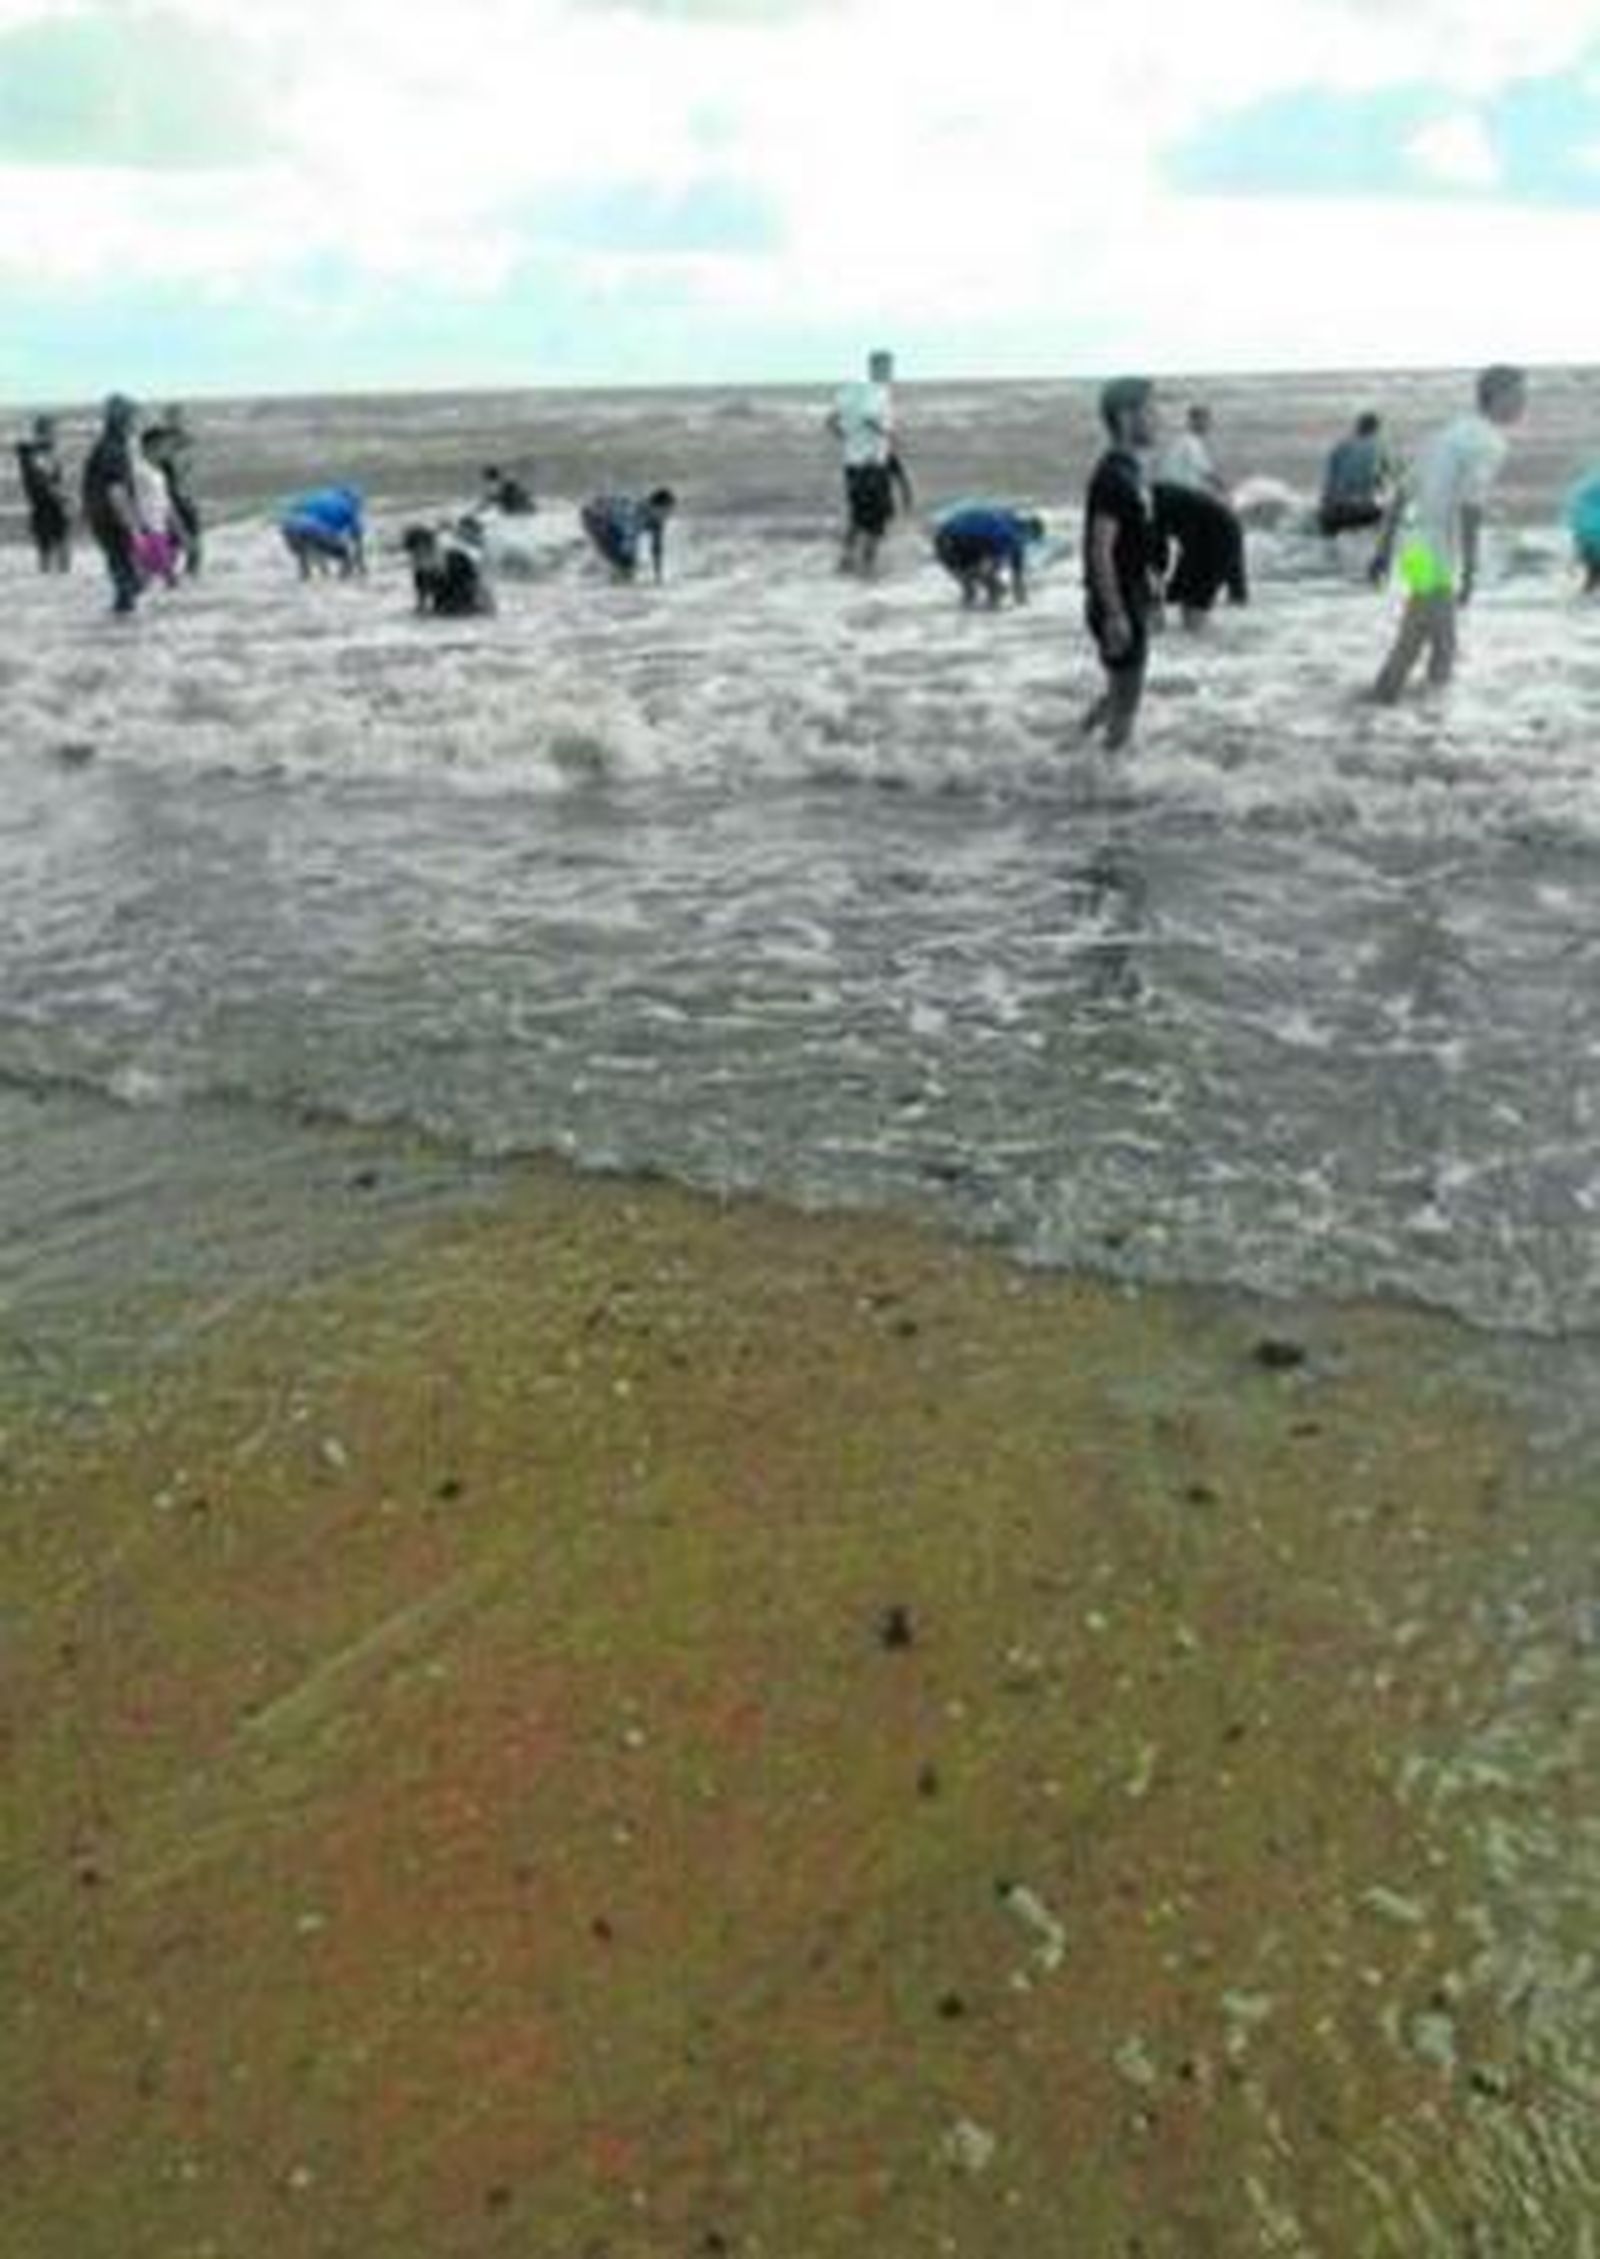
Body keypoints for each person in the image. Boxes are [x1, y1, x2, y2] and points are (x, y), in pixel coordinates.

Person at [1371, 364, 1527, 705]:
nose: (1523, 403)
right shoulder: (1489, 442)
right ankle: (1377, 709)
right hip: (1436, 553)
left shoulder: (1448, 433)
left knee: (1442, 641)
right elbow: (1471, 508)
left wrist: (1382, 551)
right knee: (1414, 636)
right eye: (1519, 394)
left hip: (1413, 546)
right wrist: (1470, 569)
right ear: (1497, 397)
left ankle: (1431, 722)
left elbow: (1401, 494)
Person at [1080, 377, 1163, 752]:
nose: (1159, 417)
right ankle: (1108, 785)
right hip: (1117, 600)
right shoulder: (1113, 474)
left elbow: (1138, 545)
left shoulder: (1130, 471)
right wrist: (1116, 612)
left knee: (1118, 696)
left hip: (1131, 597)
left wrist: (1153, 598)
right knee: (1125, 709)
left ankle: (1070, 750)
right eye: (1151, 410)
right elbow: (1100, 548)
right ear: (1127, 417)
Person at [826, 348, 912, 575]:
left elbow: (831, 421)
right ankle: (868, 563)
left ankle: (846, 558)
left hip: (852, 464)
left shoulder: (848, 390)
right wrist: (890, 435)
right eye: (886, 366)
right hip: (872, 465)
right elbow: (869, 417)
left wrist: (848, 438)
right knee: (878, 517)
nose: (888, 371)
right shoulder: (879, 391)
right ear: (878, 367)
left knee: (857, 514)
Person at [1152, 477, 1248, 625]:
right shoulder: (1157, 494)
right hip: (1208, 540)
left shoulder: (1148, 504)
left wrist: (1156, 591)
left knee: (1193, 608)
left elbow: (1157, 552)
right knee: (1187, 602)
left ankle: (1210, 643)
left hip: (1213, 541)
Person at [80, 393, 144, 615]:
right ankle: (123, 625)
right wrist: (133, 526)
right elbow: (116, 491)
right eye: (134, 416)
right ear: (123, 420)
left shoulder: (106, 445)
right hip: (112, 518)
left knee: (120, 568)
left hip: (102, 516)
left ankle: (119, 623)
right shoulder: (114, 449)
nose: (137, 421)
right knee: (127, 573)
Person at [932, 502, 1045, 607]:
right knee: (996, 589)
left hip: (942, 539)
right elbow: (1016, 581)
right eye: (1031, 539)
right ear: (1029, 531)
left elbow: (1015, 578)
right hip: (957, 542)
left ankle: (963, 618)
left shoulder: (1006, 519)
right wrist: (1023, 605)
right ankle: (986, 620)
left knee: (971, 590)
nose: (1027, 544)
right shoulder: (1011, 536)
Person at [1318, 411, 1392, 540]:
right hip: (1362, 510)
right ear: (1375, 429)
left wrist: (1326, 503)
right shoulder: (1378, 447)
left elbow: (1329, 480)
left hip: (1334, 509)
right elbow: (1386, 477)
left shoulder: (1339, 446)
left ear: (1358, 427)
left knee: (1329, 542)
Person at [579, 489, 676, 582]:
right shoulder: (637, 512)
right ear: (657, 507)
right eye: (667, 511)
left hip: (610, 519)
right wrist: (628, 565)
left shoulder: (657, 521)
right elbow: (629, 538)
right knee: (624, 561)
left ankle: (595, 566)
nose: (669, 515)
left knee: (625, 561)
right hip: (593, 515)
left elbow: (656, 549)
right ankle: (590, 571)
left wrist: (658, 576)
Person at [149, 406, 202, 575]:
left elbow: (189, 471)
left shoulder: (186, 441)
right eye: (171, 417)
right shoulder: (163, 442)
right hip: (169, 497)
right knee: (174, 540)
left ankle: (189, 574)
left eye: (177, 417)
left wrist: (191, 495)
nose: (174, 421)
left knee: (192, 539)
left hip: (182, 497)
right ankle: (171, 575)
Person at [401, 522, 496, 616]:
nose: (418, 562)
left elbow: (482, 594)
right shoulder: (421, 574)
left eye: (420, 556)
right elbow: (421, 607)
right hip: (447, 613)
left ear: (433, 548)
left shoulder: (458, 561)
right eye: (415, 557)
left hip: (472, 611)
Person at [15, 414, 71, 571]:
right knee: (56, 544)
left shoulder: (38, 451)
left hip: (42, 504)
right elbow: (44, 481)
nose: (56, 434)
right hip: (47, 503)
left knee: (48, 545)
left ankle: (53, 573)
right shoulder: (36, 453)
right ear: (45, 431)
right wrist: (63, 496)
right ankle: (58, 574)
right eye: (53, 430)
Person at [128, 427, 183, 587]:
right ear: (152, 446)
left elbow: (165, 502)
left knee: (153, 575)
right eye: (164, 446)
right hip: (148, 529)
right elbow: (130, 498)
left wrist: (177, 526)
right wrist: (138, 528)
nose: (167, 450)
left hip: (161, 528)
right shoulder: (138, 470)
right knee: (164, 574)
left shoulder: (158, 472)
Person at [279, 485, 366, 578]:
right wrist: (361, 565)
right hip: (311, 528)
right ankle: (341, 582)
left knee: (308, 549)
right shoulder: (349, 507)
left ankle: (305, 574)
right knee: (345, 556)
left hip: (289, 528)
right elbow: (358, 541)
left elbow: (295, 511)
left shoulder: (319, 497)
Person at [1156, 402, 1226, 497]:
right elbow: (1208, 473)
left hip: (1170, 491)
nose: (1208, 424)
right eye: (1205, 420)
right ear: (1193, 421)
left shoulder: (1181, 440)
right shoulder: (1191, 443)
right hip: (1181, 494)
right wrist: (1222, 487)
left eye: (1208, 420)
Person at [1566, 470, 1600, 594]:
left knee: (1592, 569)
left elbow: (1575, 515)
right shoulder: (1589, 490)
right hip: (1590, 539)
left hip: (1589, 539)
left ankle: (1588, 587)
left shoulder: (1587, 490)